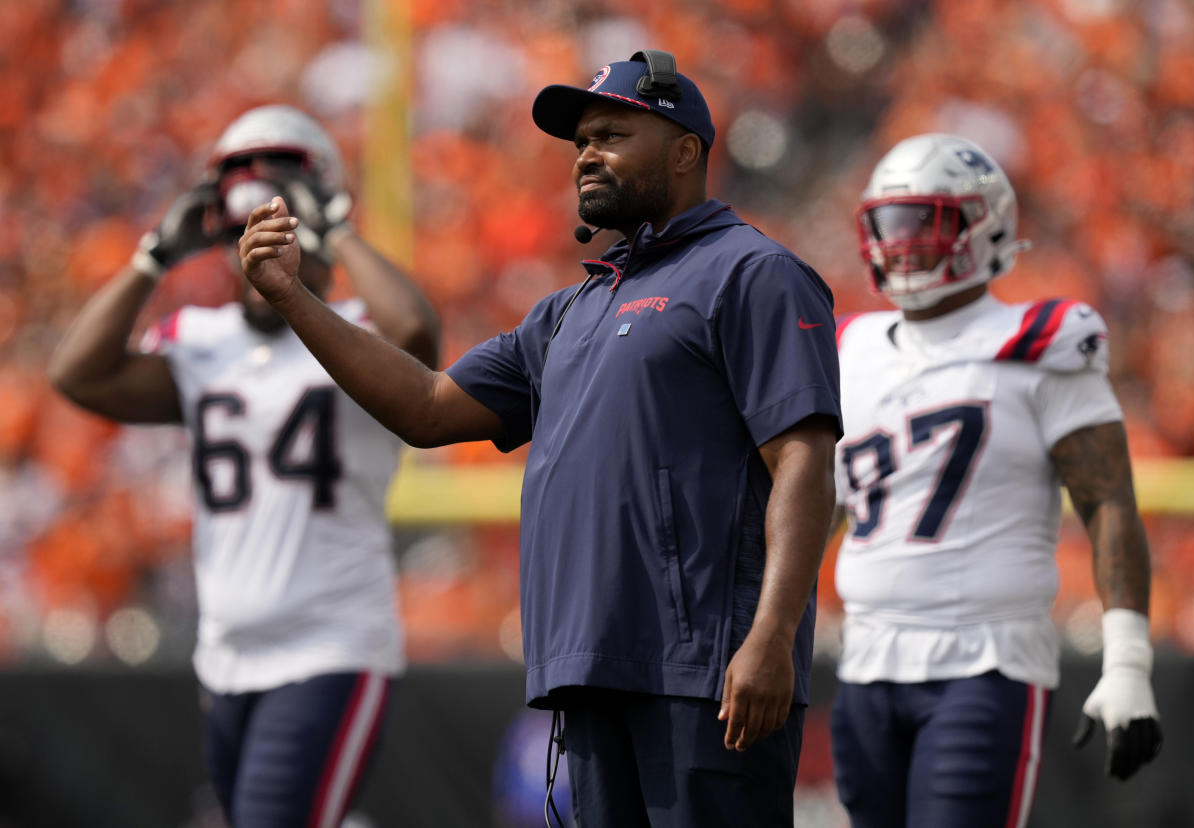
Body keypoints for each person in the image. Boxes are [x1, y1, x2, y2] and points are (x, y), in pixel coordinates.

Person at [236, 50, 842, 826]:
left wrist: (772, 636)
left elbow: (802, 461)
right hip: (589, 670)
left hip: (705, 675)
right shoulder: (566, 313)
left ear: (687, 151)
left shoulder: (751, 272)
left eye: (613, 133)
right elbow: (426, 405)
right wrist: (293, 299)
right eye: (582, 139)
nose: (587, 153)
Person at [49, 104, 441, 828]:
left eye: (280, 227)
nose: (252, 253)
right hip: (226, 657)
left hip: (330, 645)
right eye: (242, 235)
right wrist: (153, 257)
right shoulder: (202, 341)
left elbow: (415, 331)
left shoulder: (355, 336)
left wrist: (335, 228)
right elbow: (77, 373)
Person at [828, 133, 1163, 828]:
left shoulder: (1044, 340)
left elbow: (1106, 502)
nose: (903, 242)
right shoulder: (848, 347)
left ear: (987, 226)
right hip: (863, 661)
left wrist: (1127, 658)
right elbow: (816, 509)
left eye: (926, 220)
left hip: (986, 660)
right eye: (890, 224)